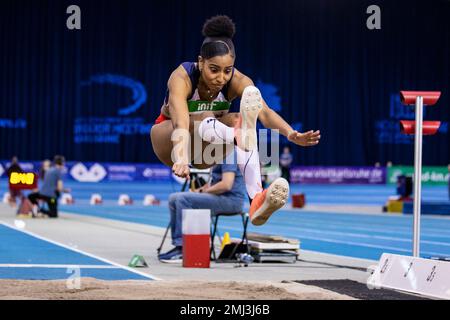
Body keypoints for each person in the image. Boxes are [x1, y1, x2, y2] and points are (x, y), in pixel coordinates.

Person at [150, 15, 320, 226]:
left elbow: (264, 113)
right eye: (214, 69)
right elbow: (181, 123)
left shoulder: (238, 81)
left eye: (227, 70)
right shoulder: (183, 77)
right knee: (208, 117)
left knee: (238, 118)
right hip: (170, 142)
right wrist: (182, 157)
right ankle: (238, 135)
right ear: (201, 62)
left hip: (206, 151)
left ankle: (256, 199)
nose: (221, 78)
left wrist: (290, 134)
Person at [159, 152, 246, 263]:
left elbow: (226, 184)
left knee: (182, 199)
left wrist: (203, 191)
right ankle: (178, 245)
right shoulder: (217, 153)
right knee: (173, 198)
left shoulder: (229, 154)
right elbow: (212, 183)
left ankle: (183, 248)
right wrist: (199, 191)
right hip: (218, 197)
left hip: (231, 201)